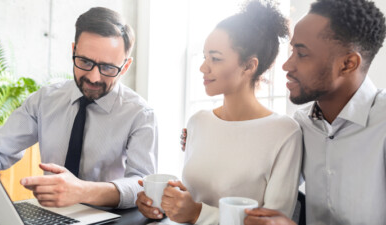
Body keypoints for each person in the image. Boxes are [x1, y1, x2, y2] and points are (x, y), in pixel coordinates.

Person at [136, 1, 302, 224]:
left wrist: (197, 213)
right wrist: (163, 205)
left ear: (249, 66)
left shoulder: (284, 133)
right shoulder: (198, 122)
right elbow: (190, 202)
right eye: (205, 56)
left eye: (215, 58)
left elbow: (273, 222)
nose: (203, 67)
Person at [0, 7, 158, 209]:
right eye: (85, 61)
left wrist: (82, 191)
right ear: (73, 50)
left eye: (108, 68)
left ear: (125, 66)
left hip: (113, 219)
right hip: (52, 215)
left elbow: (142, 185)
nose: (94, 77)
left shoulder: (140, 115)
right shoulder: (45, 100)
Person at [245, 0, 386, 224]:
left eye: (301, 54)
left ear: (348, 64)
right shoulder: (300, 125)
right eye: (292, 51)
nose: (287, 66)